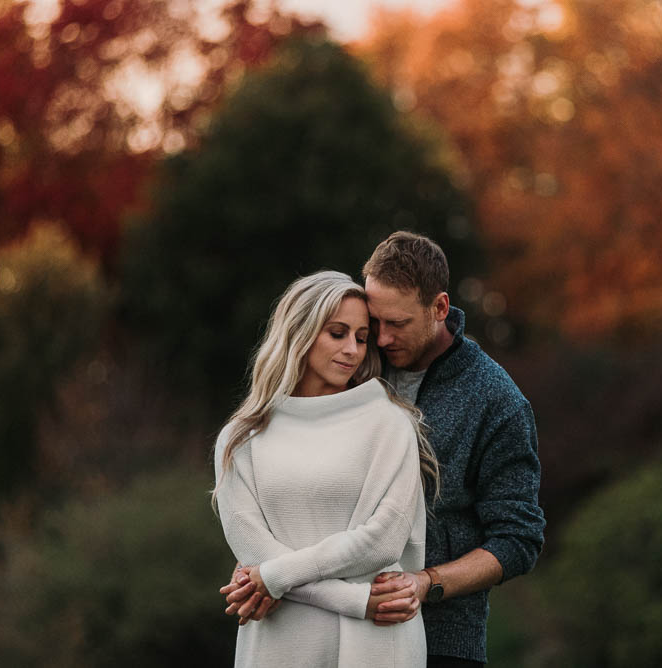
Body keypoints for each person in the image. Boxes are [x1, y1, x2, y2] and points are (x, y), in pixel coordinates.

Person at [224, 232, 546, 667]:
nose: (378, 339)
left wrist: (426, 582)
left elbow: (518, 538)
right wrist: (261, 570)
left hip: (443, 634)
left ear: (439, 308)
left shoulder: (495, 400)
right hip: (311, 622)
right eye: (373, 323)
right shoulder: (356, 369)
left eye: (396, 324)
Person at [213, 270, 439, 668]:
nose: (352, 349)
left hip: (379, 642)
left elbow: (383, 541)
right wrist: (354, 601)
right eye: (337, 333)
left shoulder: (390, 423)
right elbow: (254, 553)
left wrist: (276, 577)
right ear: (299, 332)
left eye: (361, 337)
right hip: (282, 643)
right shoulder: (241, 438)